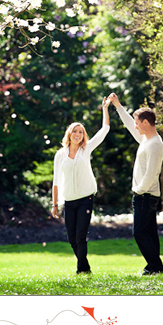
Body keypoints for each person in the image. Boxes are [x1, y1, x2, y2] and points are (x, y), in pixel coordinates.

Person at [51, 97, 111, 274]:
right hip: (69, 201)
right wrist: (54, 204)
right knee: (71, 239)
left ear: (83, 135)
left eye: (81, 132)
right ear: (69, 134)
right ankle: (85, 268)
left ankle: (81, 271)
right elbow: (56, 181)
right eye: (74, 131)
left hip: (86, 198)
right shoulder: (60, 155)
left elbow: (105, 129)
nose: (77, 134)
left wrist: (105, 109)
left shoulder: (87, 149)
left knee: (80, 237)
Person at [109, 92, 163, 276]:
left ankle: (156, 267)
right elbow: (129, 125)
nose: (135, 126)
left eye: (137, 122)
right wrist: (118, 106)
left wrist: (139, 190)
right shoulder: (146, 139)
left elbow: (152, 173)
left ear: (146, 123)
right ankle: (153, 267)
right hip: (146, 195)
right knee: (149, 233)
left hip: (145, 195)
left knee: (139, 233)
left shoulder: (154, 144)